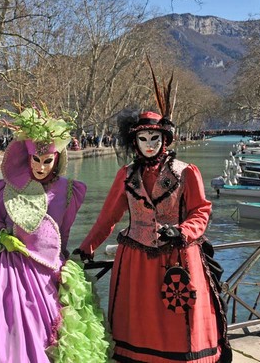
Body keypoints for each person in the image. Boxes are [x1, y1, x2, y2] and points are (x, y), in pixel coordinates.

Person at [75, 68, 231, 363]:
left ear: (165, 139)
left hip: (178, 257)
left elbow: (201, 211)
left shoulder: (186, 172)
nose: (149, 144)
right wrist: (86, 248)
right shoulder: (125, 175)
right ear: (135, 142)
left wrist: (182, 231)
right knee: (138, 323)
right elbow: (108, 217)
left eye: (155, 138)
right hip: (135, 262)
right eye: (143, 138)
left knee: (176, 323)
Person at [0, 106, 111, 363]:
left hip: (47, 265)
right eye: (36, 160)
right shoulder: (7, 186)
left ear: (57, 159)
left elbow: (61, 234)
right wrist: (0, 236)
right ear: (27, 157)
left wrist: (62, 265)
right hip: (6, 262)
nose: (41, 167)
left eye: (47, 161)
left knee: (50, 323)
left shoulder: (69, 191)